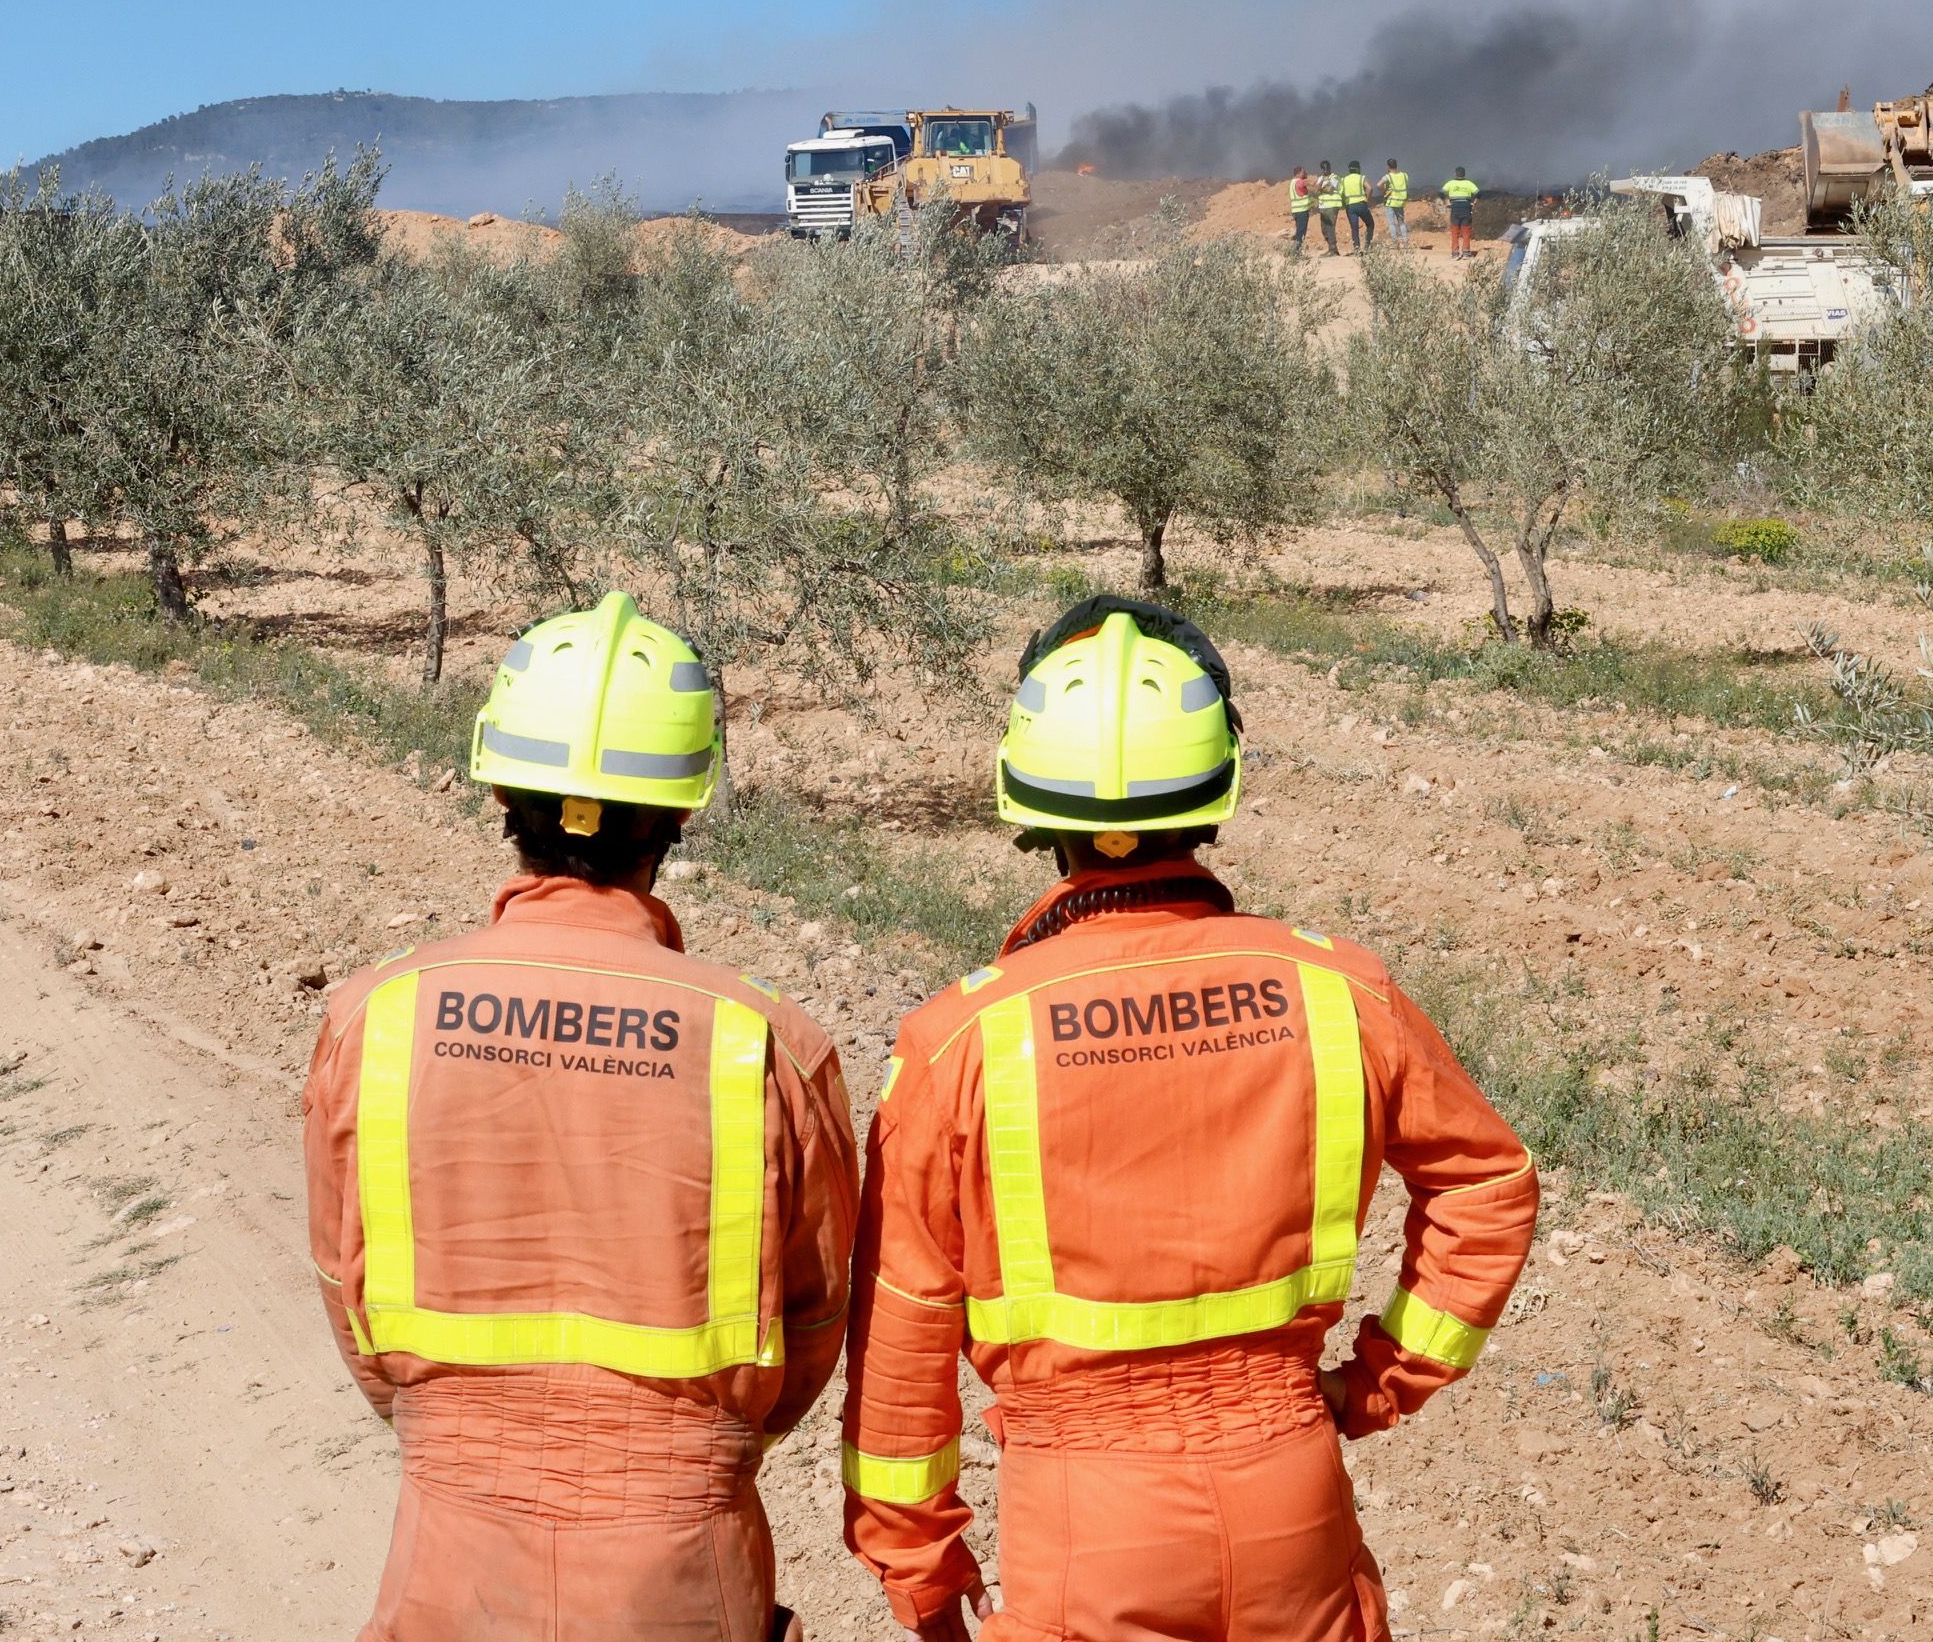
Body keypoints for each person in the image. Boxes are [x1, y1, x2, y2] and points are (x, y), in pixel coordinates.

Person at [839, 597, 1540, 1642]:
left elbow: (903, 1327)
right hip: (1288, 1483)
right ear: (1219, 787)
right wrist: (1380, 1380)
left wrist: (924, 1573)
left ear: (1026, 801)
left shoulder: (962, 1040)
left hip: (1082, 1516)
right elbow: (1487, 1185)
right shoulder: (1336, 990)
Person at [304, 591, 859, 1642]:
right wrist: (690, 1450)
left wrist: (461, 1431)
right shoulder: (768, 1042)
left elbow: (350, 1285)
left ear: (502, 786)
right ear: (683, 807)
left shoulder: (375, 1016)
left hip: (448, 1542)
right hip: (683, 1560)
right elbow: (816, 1315)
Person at [1441, 166, 1481, 260]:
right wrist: (1474, 203)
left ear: (1455, 174)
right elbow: (1479, 193)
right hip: (1466, 208)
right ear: (1464, 174)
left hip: (1455, 208)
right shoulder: (1469, 184)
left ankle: (1455, 253)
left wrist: (1446, 202)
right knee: (1466, 231)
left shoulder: (1450, 183)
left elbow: (1441, 193)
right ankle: (1466, 253)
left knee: (1455, 231)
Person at [1340, 158, 1375, 250]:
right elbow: (1370, 188)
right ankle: (1367, 246)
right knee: (1370, 224)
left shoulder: (1344, 179)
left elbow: (1341, 193)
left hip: (1350, 206)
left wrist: (1344, 203)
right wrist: (1367, 199)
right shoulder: (1361, 178)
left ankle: (1357, 248)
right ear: (1358, 169)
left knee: (1354, 228)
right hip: (1361, 204)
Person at [1313, 159, 1343, 255]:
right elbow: (1315, 190)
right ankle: (1331, 247)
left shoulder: (1334, 177)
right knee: (1324, 228)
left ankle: (1333, 249)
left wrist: (1321, 188)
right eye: (1323, 169)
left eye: (1327, 168)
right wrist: (1321, 186)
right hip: (1323, 206)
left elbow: (1330, 189)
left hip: (1332, 205)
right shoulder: (1320, 178)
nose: (1325, 170)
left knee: (1330, 227)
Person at [1379, 158, 1410, 249]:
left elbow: (1378, 184)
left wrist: (1385, 191)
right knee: (1401, 223)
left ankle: (1395, 244)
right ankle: (1405, 243)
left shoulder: (1388, 176)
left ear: (1388, 167)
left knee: (1392, 223)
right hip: (1401, 202)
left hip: (1391, 202)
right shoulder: (1404, 175)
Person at [1287, 165, 1315, 256]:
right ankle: (1296, 252)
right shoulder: (1298, 182)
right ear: (1298, 174)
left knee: (1299, 231)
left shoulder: (1292, 182)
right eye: (1303, 172)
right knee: (1301, 232)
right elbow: (1303, 183)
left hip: (1296, 211)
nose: (1305, 173)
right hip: (1301, 211)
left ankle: (1295, 251)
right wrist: (1311, 181)